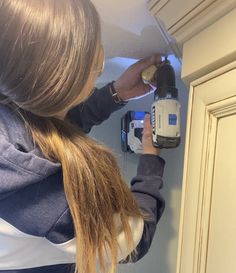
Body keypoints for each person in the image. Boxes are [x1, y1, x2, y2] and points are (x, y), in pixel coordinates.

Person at [0, 1, 165, 273]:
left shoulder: (9, 110)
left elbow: (37, 136)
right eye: (95, 65)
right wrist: (152, 160)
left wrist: (115, 94)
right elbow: (134, 238)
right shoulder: (55, 201)